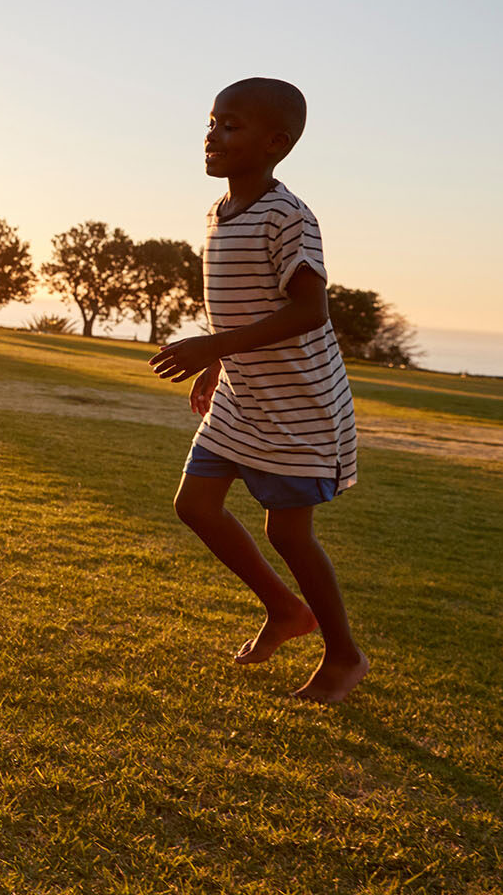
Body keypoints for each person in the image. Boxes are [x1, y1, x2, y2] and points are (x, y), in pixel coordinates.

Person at [148, 78, 368, 704]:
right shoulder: (220, 213)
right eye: (212, 122)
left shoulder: (288, 215)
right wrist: (219, 367)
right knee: (195, 506)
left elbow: (310, 312)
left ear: (276, 143)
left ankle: (345, 655)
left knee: (288, 534)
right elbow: (239, 306)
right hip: (242, 398)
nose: (213, 134)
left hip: (300, 405)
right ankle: (284, 610)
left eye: (232, 125)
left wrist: (212, 349)